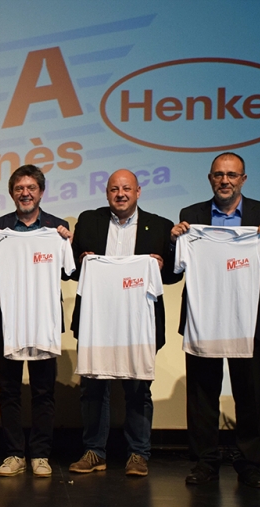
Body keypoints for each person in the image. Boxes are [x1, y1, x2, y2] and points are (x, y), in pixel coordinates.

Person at [171, 152, 260, 488]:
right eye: (218, 175)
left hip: (249, 320)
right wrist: (174, 241)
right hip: (204, 319)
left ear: (243, 179)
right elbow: (174, 268)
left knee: (249, 394)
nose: (224, 181)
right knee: (202, 396)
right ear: (210, 178)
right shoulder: (191, 216)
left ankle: (250, 464)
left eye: (232, 175)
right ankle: (204, 462)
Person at [69, 169, 181, 477]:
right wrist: (81, 260)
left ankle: (138, 454)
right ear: (106, 193)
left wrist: (161, 265)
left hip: (139, 322)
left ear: (138, 192)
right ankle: (94, 451)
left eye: (126, 188)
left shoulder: (159, 225)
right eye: (114, 189)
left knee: (138, 388)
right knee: (93, 387)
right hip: (97, 321)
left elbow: (174, 275)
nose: (121, 194)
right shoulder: (89, 221)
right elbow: (72, 270)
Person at [0, 165, 71, 477]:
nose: (25, 193)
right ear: (12, 193)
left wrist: (66, 243)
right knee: (7, 389)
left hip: (42, 318)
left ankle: (41, 454)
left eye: (31, 187)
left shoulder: (57, 228)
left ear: (41, 192)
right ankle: (13, 454)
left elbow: (66, 272)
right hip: (5, 319)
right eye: (19, 188)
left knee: (43, 390)